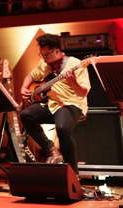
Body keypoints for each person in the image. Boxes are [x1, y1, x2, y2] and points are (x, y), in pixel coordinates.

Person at [20, 33, 90, 174]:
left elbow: (82, 93)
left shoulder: (76, 64)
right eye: (42, 56)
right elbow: (31, 76)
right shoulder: (44, 64)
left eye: (46, 55)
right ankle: (51, 149)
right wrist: (24, 88)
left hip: (71, 104)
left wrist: (73, 82)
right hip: (50, 103)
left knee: (62, 128)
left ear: (57, 51)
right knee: (26, 115)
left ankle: (73, 173)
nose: (44, 59)